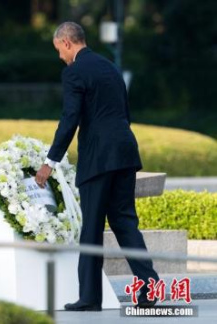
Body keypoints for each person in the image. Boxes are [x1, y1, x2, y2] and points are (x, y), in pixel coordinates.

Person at [35, 22, 159, 311]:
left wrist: (49, 162)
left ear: (66, 43)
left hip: (98, 159)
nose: (60, 58)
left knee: (91, 227)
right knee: (126, 222)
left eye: (58, 51)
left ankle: (90, 297)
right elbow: (124, 112)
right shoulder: (110, 67)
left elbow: (70, 120)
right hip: (125, 152)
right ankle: (149, 289)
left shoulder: (74, 72)